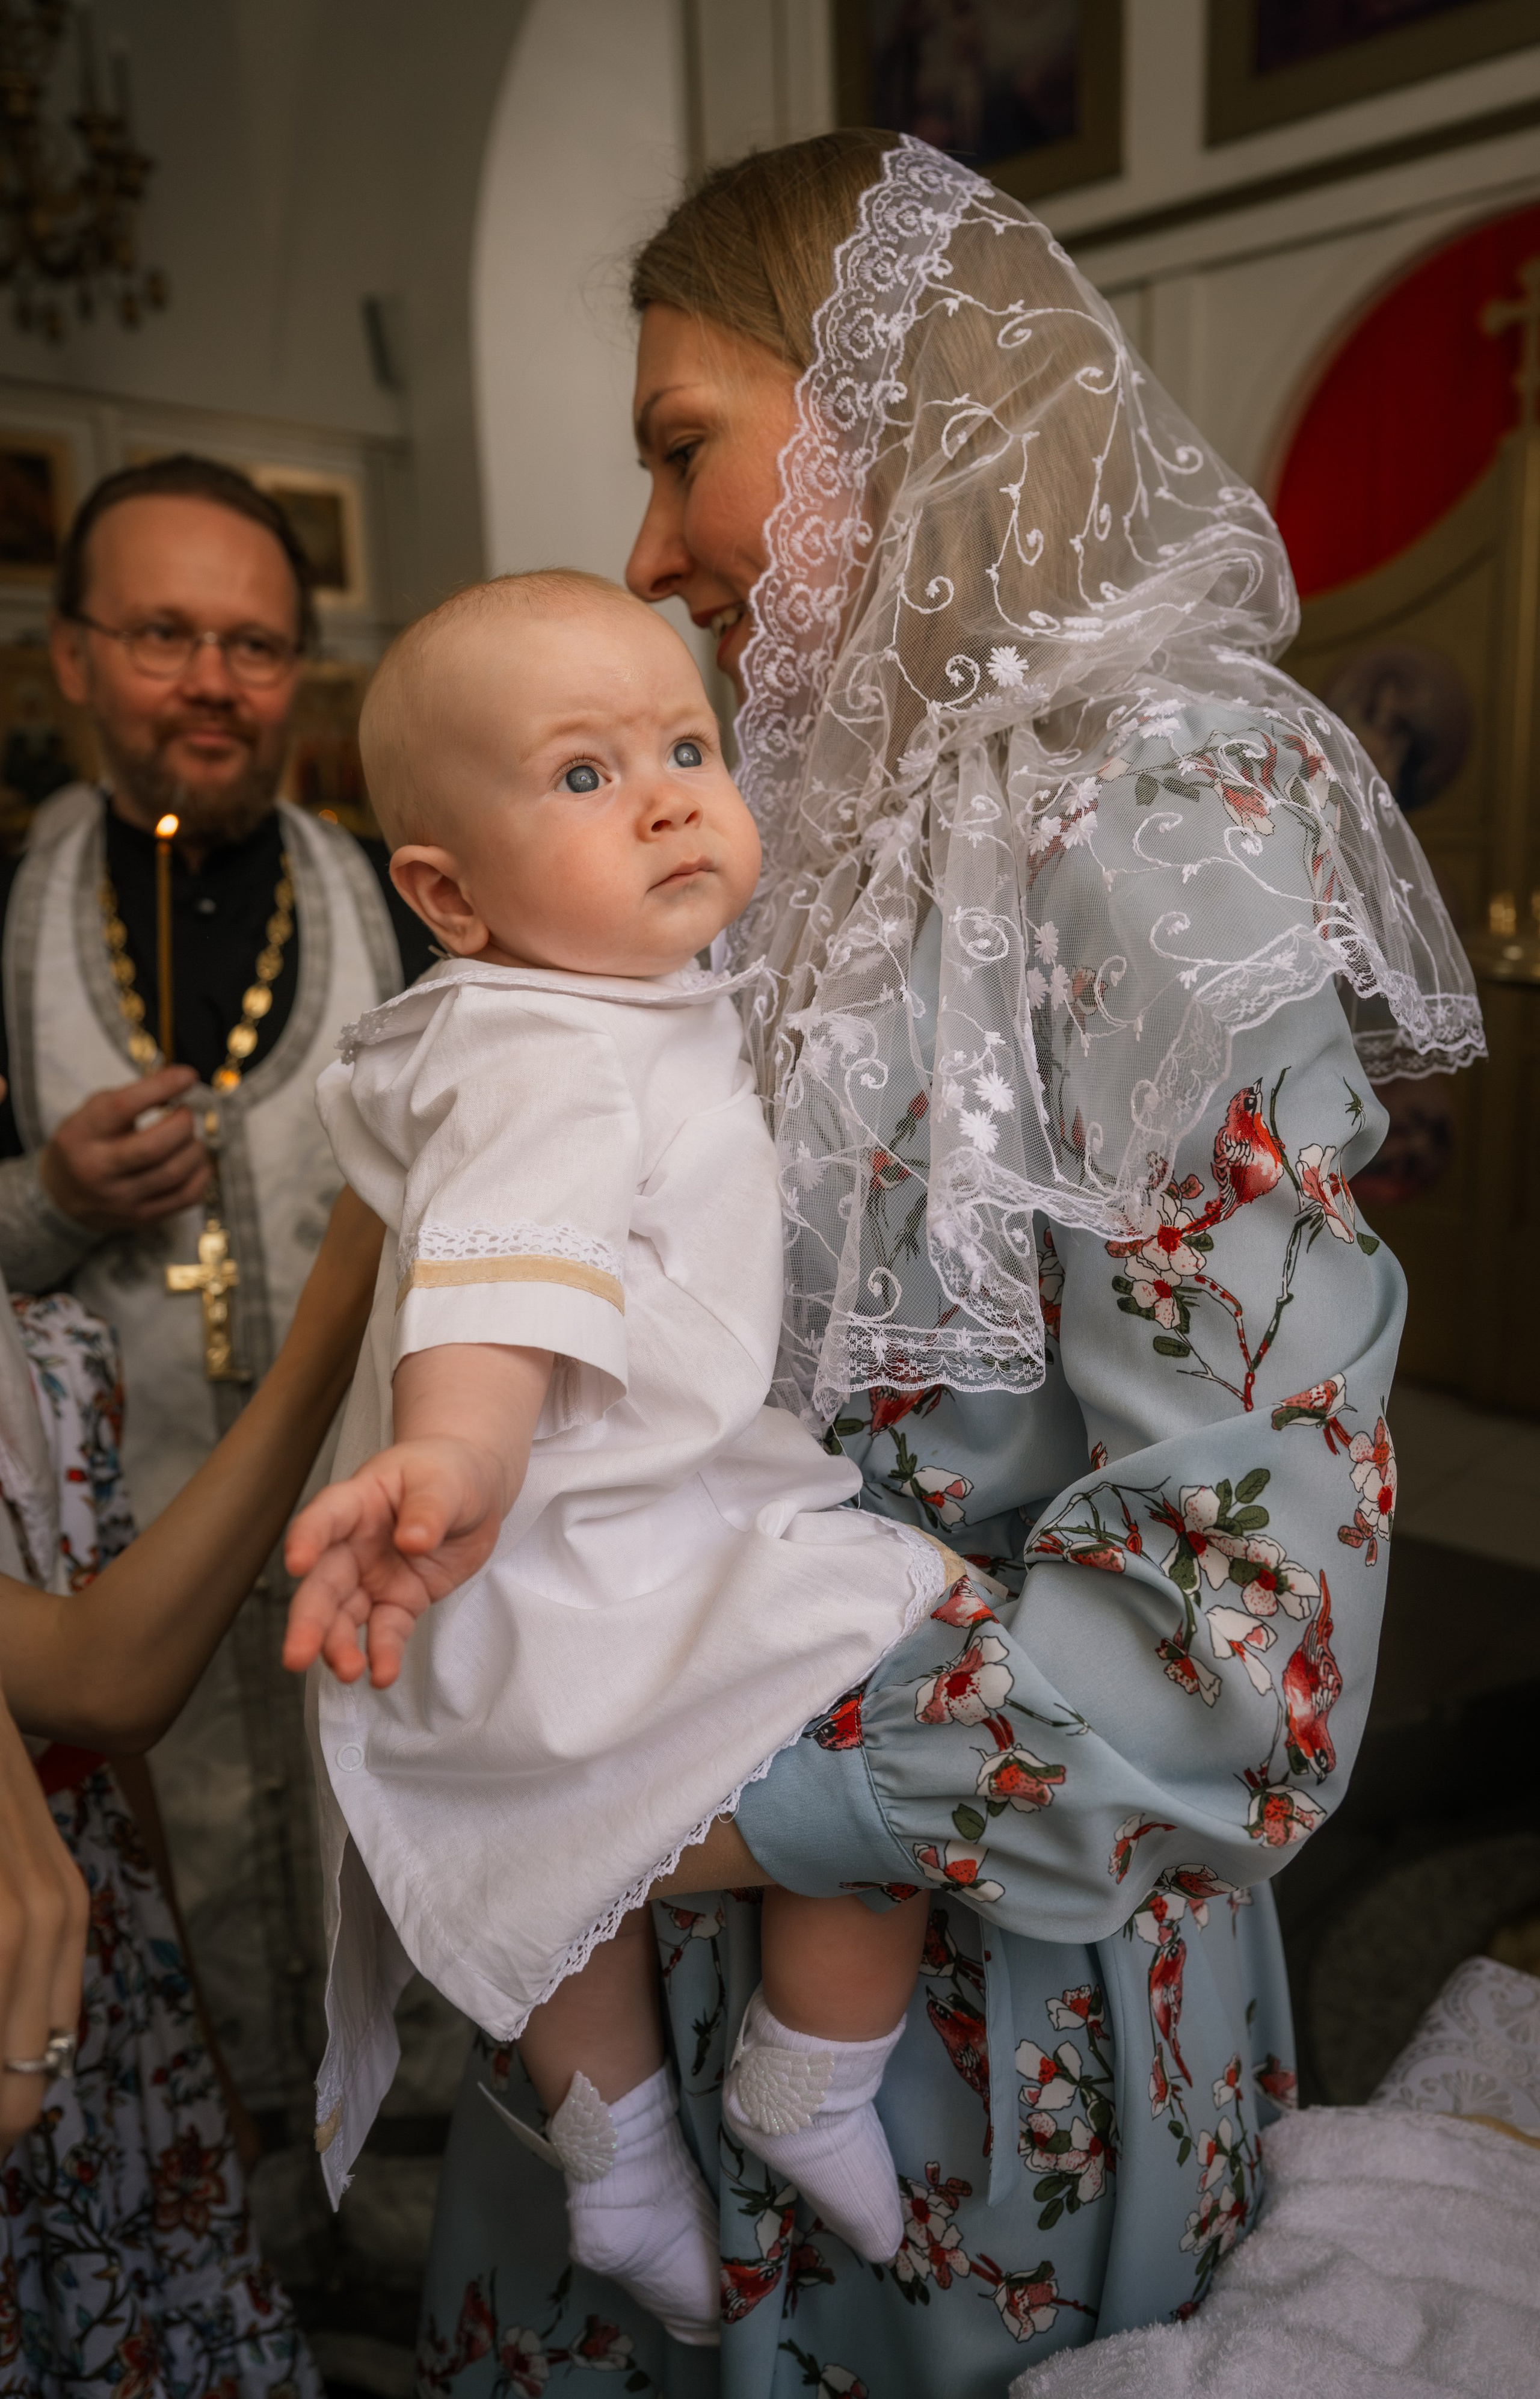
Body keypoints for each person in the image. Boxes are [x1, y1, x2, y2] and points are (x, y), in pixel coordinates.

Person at [414, 134, 1483, 2395]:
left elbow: (1240, 1646)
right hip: (647, 1934)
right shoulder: (771, 832)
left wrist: (644, 1807)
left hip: (966, 1980)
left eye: (681, 447)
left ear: (884, 403)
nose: (642, 547)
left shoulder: (1156, 803)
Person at [282, 569, 960, 2342]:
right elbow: (499, 1283)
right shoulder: (541, 1052)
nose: (668, 793)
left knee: (562, 1867)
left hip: (569, 1539)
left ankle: (621, 2148)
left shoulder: (614, 995)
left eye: (685, 745)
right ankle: (813, 2068)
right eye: (585, 775)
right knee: (905, 1668)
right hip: (569, 1533)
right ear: (449, 894)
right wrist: (456, 1454)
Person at [0, 454, 434, 2149]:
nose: (211, 681)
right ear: (72, 656)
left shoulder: (414, 893)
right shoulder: (5, 917)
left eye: (255, 646)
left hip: (386, 1572)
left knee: (415, 1936)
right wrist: (45, 1200)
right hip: (101, 1617)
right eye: (164, 633)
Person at [0, 1179, 383, 2393]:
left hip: (115, 1960)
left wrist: (190, 2024)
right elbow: (102, 1677)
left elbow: (111, 1764)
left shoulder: (57, 1350)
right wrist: (340, 1299)